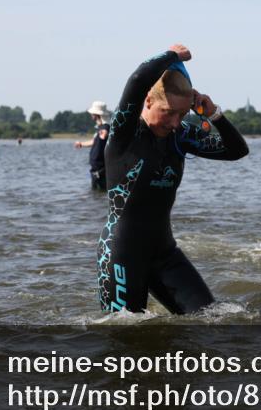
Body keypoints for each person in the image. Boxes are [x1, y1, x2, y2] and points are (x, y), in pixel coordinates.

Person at [98, 44, 248, 315]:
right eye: (169, 112)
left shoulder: (181, 137)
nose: (176, 122)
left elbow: (238, 151)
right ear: (148, 101)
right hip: (122, 255)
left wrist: (214, 114)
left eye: (183, 114)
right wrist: (172, 55)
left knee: (211, 320)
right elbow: (137, 79)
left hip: (165, 252)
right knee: (124, 340)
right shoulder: (125, 132)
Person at [75, 100, 111, 191]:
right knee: (96, 197)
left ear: (97, 115)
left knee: (100, 193)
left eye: (92, 114)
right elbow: (94, 141)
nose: (91, 116)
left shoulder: (105, 127)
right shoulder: (100, 128)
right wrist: (81, 144)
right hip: (95, 171)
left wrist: (101, 129)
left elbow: (104, 135)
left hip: (101, 172)